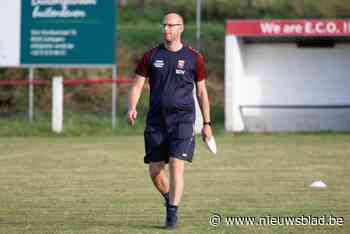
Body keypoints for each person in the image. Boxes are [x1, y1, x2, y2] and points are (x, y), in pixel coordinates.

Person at [127, 12, 213, 229]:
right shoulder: (151, 56)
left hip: (183, 120)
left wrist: (207, 124)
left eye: (171, 25)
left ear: (180, 28)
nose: (166, 29)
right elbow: (137, 85)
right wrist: (132, 107)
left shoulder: (195, 57)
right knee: (155, 171)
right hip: (156, 121)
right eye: (164, 25)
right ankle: (169, 197)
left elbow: (202, 93)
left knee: (176, 164)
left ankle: (172, 213)